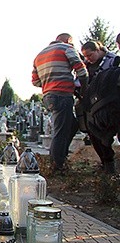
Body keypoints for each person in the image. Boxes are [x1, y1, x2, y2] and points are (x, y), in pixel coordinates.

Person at [32, 33, 88, 173]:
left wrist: (49, 82)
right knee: (60, 131)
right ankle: (57, 164)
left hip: (48, 96)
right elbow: (81, 70)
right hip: (62, 94)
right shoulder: (66, 48)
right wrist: (84, 89)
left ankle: (61, 156)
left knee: (72, 125)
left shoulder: (39, 55)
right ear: (69, 40)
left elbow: (35, 81)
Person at [80, 40, 120, 172]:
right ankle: (106, 163)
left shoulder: (114, 60)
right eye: (85, 56)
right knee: (95, 134)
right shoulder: (86, 65)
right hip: (93, 104)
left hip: (112, 102)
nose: (88, 58)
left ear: (98, 50)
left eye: (90, 55)